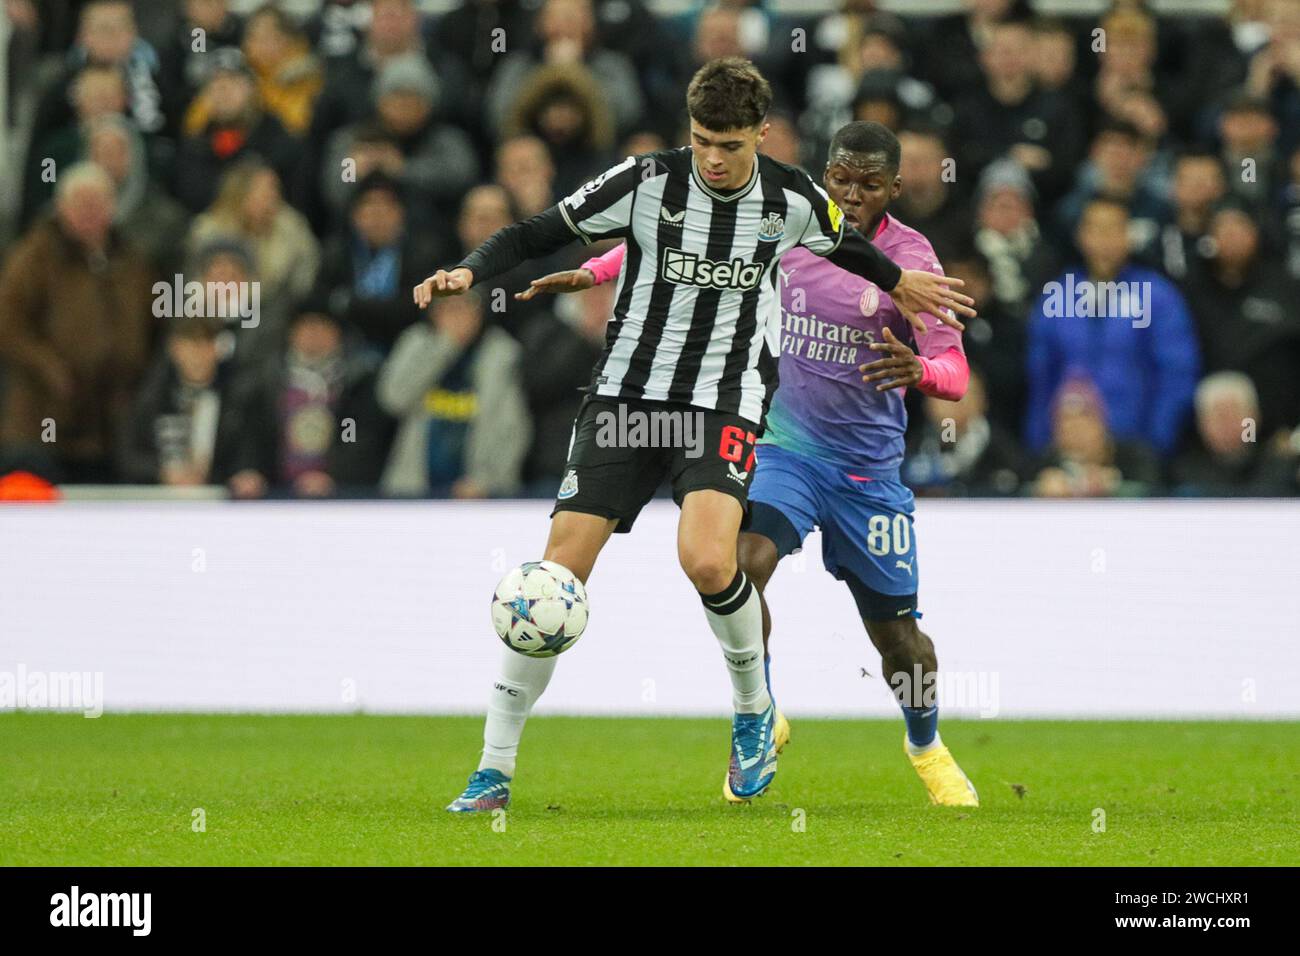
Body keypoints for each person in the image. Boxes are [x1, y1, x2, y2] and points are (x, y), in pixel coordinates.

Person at [417, 57, 973, 815]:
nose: (714, 158)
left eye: (730, 145)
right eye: (702, 140)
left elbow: (848, 246)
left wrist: (899, 283)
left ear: (761, 137)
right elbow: (539, 229)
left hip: (724, 403)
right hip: (625, 398)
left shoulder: (791, 199)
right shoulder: (646, 180)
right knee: (552, 583)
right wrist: (470, 270)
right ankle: (493, 770)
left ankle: (753, 715)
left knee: (710, 561)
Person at [1024, 197, 1200, 460]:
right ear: (1081, 236)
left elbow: (1177, 374)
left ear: (1128, 236)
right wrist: (1040, 445)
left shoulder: (1156, 296)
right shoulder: (1056, 296)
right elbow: (1040, 375)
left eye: (1113, 229)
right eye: (1096, 229)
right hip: (1065, 448)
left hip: (1133, 447)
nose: (1104, 239)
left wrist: (1155, 444)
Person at [378, 291, 529, 498]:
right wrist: (446, 346)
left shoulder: (501, 352)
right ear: (434, 313)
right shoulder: (416, 343)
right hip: (414, 488)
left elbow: (512, 428)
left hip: (479, 492)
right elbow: (393, 399)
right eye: (449, 308)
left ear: (480, 313)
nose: (458, 316)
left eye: (466, 306)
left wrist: (487, 481)